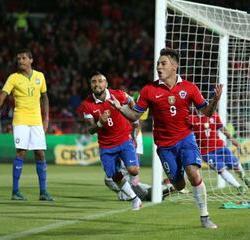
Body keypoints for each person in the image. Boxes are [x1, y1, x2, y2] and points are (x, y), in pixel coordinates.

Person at [108, 47, 223, 229]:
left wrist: (215, 100)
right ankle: (177, 184)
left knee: (193, 173)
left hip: (186, 138)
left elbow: (206, 113)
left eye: (163, 64)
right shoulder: (148, 90)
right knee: (178, 184)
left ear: (174, 67)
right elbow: (134, 116)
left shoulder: (189, 88)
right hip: (164, 146)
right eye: (157, 64)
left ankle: (205, 216)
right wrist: (119, 108)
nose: (158, 67)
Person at [0, 49, 53, 201]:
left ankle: (43, 192)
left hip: (36, 121)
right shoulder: (13, 78)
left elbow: (45, 98)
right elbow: (3, 93)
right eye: (18, 58)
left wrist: (46, 119)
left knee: (40, 153)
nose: (20, 61)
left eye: (23, 58)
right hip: (20, 119)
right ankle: (15, 191)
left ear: (31, 60)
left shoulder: (40, 76)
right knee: (21, 152)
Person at [77, 72, 142, 210]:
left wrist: (133, 118)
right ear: (90, 86)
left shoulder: (117, 94)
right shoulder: (87, 104)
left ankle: (134, 185)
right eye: (94, 82)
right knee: (113, 176)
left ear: (106, 84)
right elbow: (90, 129)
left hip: (124, 139)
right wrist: (100, 123)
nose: (97, 84)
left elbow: (131, 101)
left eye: (100, 81)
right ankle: (135, 199)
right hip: (106, 146)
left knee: (134, 170)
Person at [190, 111, 250, 195]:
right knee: (221, 170)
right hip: (207, 152)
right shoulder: (192, 119)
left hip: (220, 146)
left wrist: (232, 140)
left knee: (235, 165)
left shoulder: (214, 115)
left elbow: (222, 128)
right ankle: (239, 187)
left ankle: (243, 177)